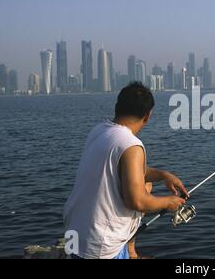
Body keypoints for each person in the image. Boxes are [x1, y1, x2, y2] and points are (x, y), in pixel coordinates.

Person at [64, 82, 189, 259]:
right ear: (147, 116)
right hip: (101, 248)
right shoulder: (131, 145)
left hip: (75, 233)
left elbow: (123, 169)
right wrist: (169, 202)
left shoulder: (99, 131)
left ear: (118, 107)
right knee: (144, 191)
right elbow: (137, 201)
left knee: (147, 183)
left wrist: (163, 175)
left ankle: (131, 252)